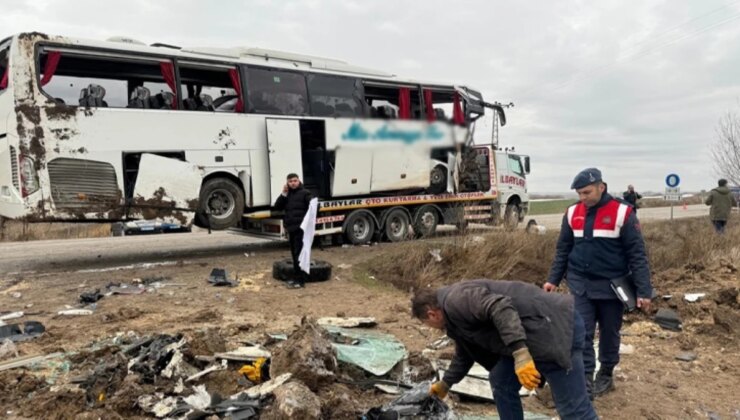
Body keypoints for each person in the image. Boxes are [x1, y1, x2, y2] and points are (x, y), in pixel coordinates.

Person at [412, 280, 598, 420]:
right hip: (530, 336)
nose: (430, 327)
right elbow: (465, 352)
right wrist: (445, 384)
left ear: (431, 314)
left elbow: (500, 307)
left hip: (554, 329)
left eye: (426, 323)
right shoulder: (453, 319)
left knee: (573, 409)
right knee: (501, 381)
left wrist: (520, 354)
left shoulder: (457, 300)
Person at [544, 168, 652, 399]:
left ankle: (606, 373)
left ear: (601, 187)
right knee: (581, 333)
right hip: (581, 285)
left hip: (612, 287)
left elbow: (637, 254)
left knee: (609, 332)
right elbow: (563, 249)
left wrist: (644, 290)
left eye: (587, 192)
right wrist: (553, 279)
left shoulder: (623, 213)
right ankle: (585, 381)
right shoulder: (572, 213)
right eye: (579, 193)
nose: (582, 198)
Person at [273, 173, 313, 288]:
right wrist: (283, 194)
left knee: (298, 255)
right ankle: (298, 277)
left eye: (295, 181)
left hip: (301, 229)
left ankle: (300, 281)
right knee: (294, 255)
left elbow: (313, 206)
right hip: (291, 228)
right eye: (290, 181)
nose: (293, 183)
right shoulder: (287, 194)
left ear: (299, 181)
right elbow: (277, 207)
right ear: (287, 183)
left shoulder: (305, 193)